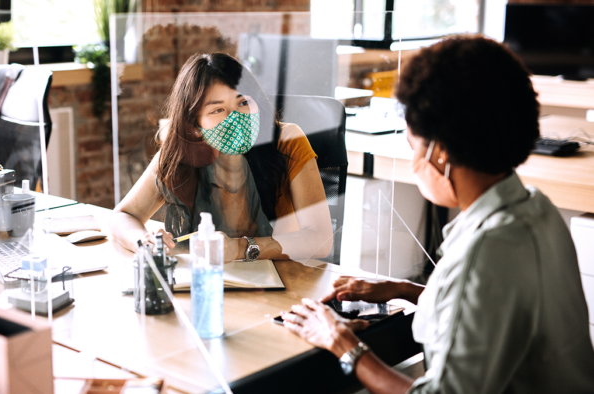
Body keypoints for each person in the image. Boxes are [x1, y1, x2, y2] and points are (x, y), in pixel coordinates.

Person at [282, 35, 594, 393]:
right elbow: (493, 307)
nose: (414, 161)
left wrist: (340, 341)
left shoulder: (486, 250)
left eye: (413, 146)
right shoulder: (535, 208)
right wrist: (404, 289)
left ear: (440, 153)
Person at [112, 53, 333, 261]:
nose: (235, 118)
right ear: (195, 126)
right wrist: (144, 241)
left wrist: (239, 248)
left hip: (285, 280)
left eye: (243, 102)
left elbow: (320, 240)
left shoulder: (288, 140)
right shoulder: (180, 153)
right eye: (218, 110)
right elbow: (123, 215)